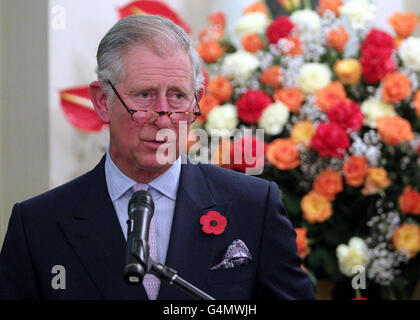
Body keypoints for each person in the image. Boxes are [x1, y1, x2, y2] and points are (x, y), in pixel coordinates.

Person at [0, 15, 314, 300]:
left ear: (196, 102)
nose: (163, 119)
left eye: (178, 96)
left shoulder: (253, 207)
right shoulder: (38, 225)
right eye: (145, 95)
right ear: (102, 101)